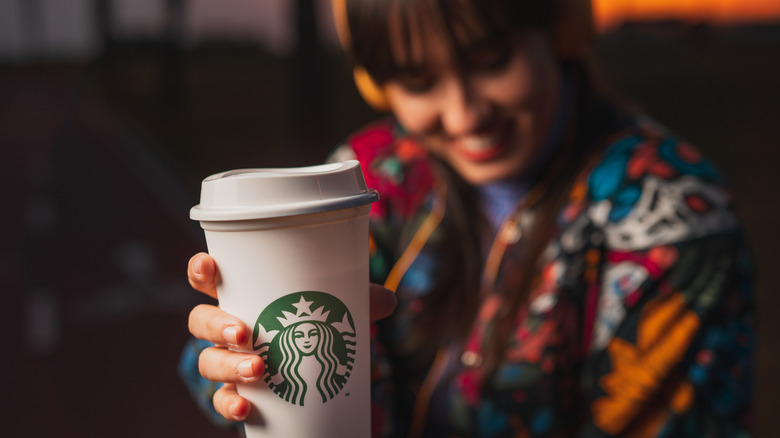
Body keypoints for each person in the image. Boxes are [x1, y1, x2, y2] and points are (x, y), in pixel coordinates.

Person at [181, 0, 756, 436]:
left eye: (490, 61)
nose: (464, 115)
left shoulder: (672, 218)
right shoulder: (377, 173)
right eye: (418, 80)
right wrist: (241, 360)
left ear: (561, 28)